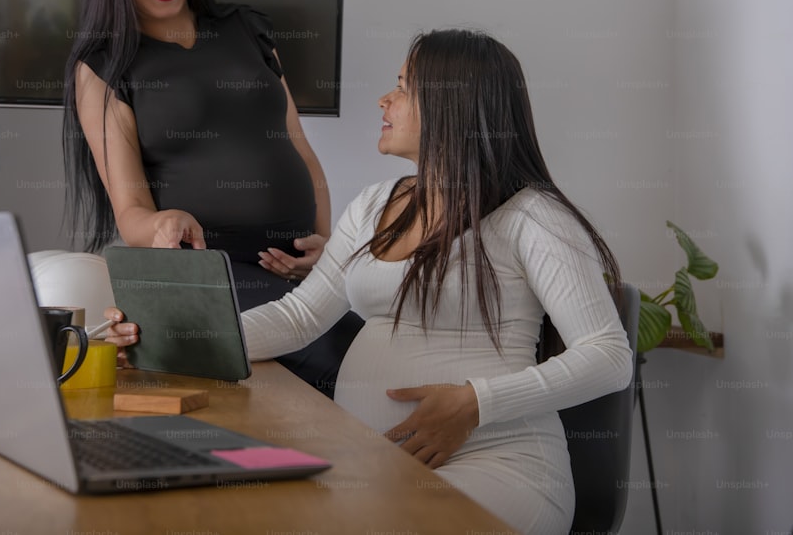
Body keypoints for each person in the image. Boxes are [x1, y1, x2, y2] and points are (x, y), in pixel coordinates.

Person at [103, 29, 634, 534]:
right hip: (378, 463)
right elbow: (299, 316)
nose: (384, 100)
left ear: (454, 105)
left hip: (497, 464)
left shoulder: (533, 217)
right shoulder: (375, 204)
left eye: (403, 88)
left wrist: (474, 403)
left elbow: (608, 355)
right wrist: (173, 338)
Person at [62, 0, 362, 398]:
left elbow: (301, 151)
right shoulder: (106, 68)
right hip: (213, 279)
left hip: (302, 274)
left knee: (382, 351)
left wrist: (327, 254)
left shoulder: (248, 29)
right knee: (357, 366)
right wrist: (163, 221)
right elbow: (131, 214)